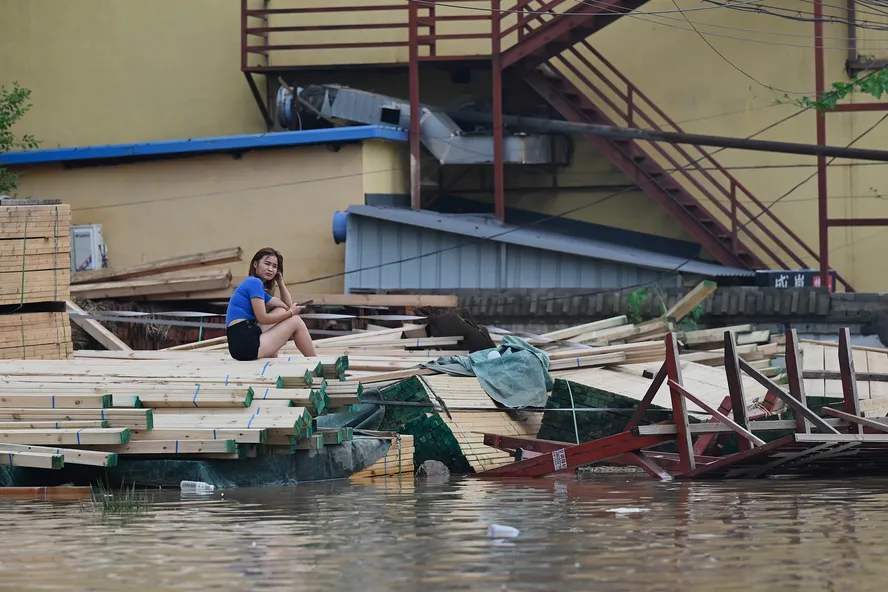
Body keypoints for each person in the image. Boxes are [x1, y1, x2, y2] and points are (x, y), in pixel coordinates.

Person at [225, 247, 317, 361]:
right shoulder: (254, 282)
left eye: (275, 266)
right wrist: (291, 313)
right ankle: (315, 361)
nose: (270, 269)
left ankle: (272, 360)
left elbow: (286, 305)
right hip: (245, 343)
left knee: (281, 310)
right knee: (296, 321)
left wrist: (280, 282)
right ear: (255, 264)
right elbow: (263, 318)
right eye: (267, 264)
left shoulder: (257, 287)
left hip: (244, 339)